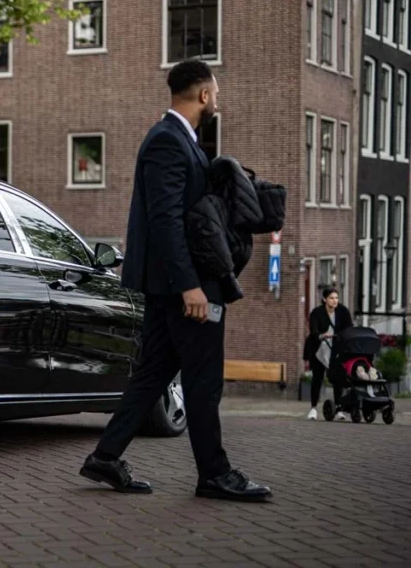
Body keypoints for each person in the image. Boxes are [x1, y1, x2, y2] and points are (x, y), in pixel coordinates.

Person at [79, 59, 273, 502]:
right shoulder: (167, 141)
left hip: (171, 285)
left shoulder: (178, 141)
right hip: (183, 287)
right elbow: (164, 221)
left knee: (152, 376)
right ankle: (215, 474)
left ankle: (105, 457)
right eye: (215, 94)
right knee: (204, 381)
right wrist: (191, 286)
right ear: (203, 94)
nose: (217, 101)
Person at [303, 287, 353, 420]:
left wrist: (340, 337)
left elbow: (349, 328)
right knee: (317, 378)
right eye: (331, 298)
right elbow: (313, 330)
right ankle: (313, 408)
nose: (335, 301)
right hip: (318, 349)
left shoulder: (343, 311)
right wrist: (321, 335)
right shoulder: (317, 312)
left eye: (336, 298)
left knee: (338, 379)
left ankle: (338, 409)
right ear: (325, 299)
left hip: (335, 349)